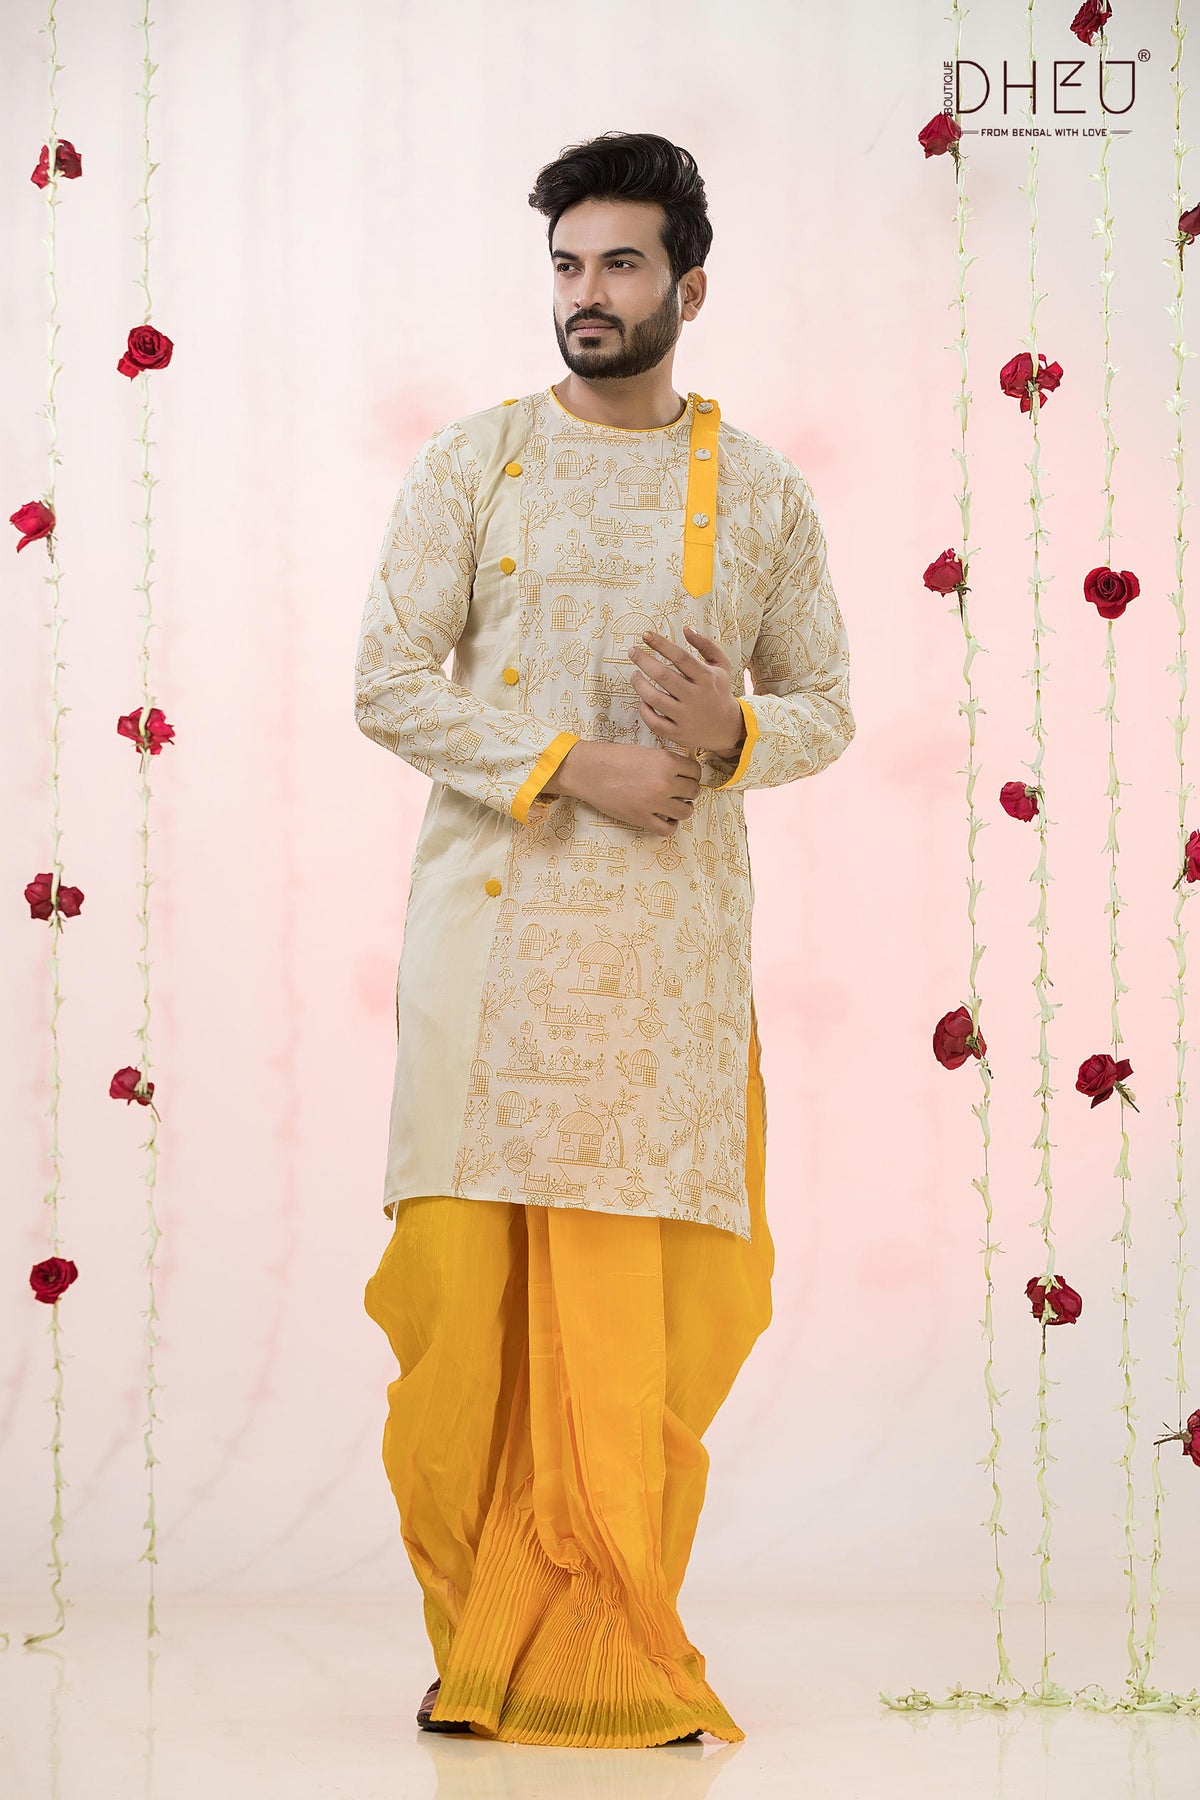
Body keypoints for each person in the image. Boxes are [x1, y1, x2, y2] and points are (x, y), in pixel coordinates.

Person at [355, 130, 856, 1749]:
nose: (587, 293)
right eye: (567, 265)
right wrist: (579, 765)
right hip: (492, 953)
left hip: (662, 970)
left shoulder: (761, 490)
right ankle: (482, 1653)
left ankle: (606, 1650)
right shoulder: (474, 462)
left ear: (688, 290)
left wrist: (733, 734)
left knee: (652, 1329)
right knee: (457, 1319)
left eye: (621, 264)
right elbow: (387, 682)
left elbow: (829, 704)